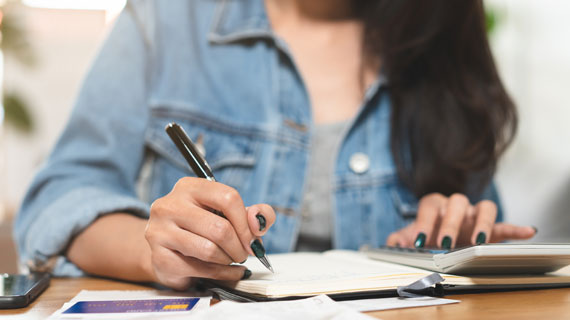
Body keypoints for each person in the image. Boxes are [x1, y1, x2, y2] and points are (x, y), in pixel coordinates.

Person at [15, 0, 536, 290]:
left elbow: (476, 235)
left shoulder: (441, 30)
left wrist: (455, 228)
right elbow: (60, 198)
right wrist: (157, 252)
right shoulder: (167, 19)